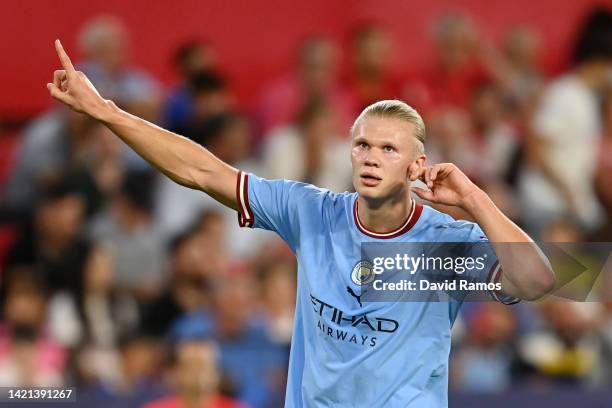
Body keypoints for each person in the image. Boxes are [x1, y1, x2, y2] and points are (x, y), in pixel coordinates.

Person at [47, 40, 555, 407]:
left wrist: (475, 200)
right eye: (362, 144)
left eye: (387, 148)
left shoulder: (444, 247)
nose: (370, 157)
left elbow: (541, 281)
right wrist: (108, 112)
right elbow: (203, 171)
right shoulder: (311, 212)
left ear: (416, 164)